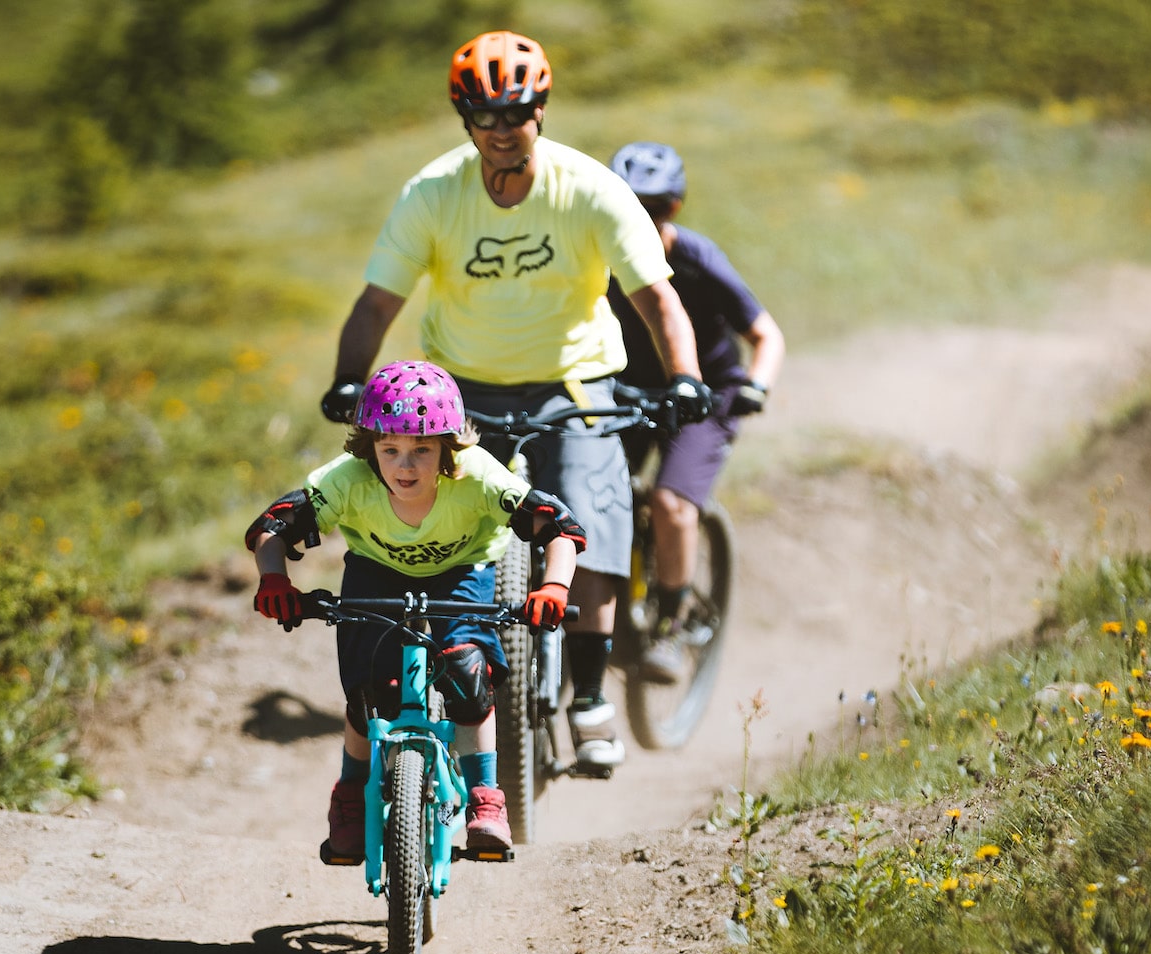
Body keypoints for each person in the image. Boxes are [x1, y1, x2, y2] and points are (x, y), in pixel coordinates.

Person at [318, 31, 711, 775]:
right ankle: (450, 675)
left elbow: (657, 298)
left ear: (541, 111)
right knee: (434, 514)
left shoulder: (589, 189)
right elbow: (376, 303)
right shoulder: (434, 193)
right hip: (461, 391)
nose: (503, 130)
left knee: (588, 515)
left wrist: (684, 376)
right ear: (464, 119)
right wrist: (348, 378)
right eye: (485, 115)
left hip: (575, 384)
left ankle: (590, 697)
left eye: (517, 113)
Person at [249, 360, 585, 857]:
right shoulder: (348, 479)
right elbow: (272, 528)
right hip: (375, 570)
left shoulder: (479, 476)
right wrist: (274, 578)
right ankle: (349, 798)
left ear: (449, 447)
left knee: (469, 675)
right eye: (390, 450)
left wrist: (554, 586)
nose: (405, 467)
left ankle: (485, 800)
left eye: (422, 450)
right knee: (368, 693)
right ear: (369, 448)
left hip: (464, 571)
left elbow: (560, 527)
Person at [606, 141, 786, 681]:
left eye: (654, 207)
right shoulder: (598, 260)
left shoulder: (698, 260)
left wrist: (757, 386)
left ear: (674, 209)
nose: (642, 217)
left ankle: (673, 621)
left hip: (707, 395)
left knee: (672, 504)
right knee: (591, 490)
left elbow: (766, 334)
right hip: (628, 392)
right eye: (630, 205)